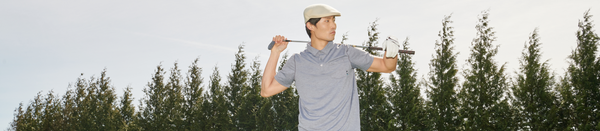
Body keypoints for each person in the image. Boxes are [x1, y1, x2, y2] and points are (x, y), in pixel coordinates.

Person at [261, 4, 400, 130]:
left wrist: (392, 49)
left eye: (333, 20)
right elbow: (266, 90)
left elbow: (386, 66)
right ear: (311, 26)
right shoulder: (297, 61)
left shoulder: (346, 53)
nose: (333, 26)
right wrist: (275, 53)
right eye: (327, 21)